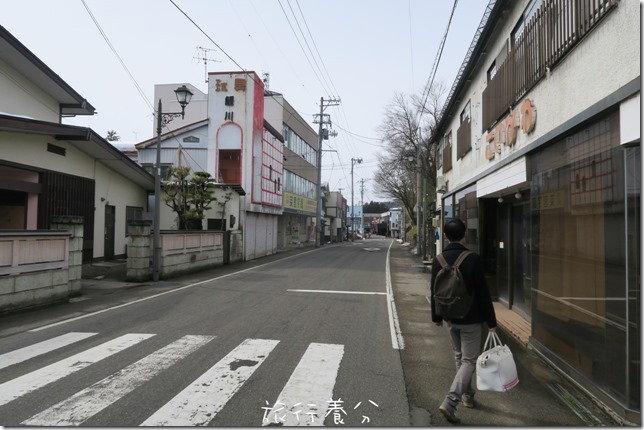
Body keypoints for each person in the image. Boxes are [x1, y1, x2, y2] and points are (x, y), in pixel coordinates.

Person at [430, 218, 497, 423]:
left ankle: (468, 396)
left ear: (446, 236)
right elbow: (483, 293)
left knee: (460, 359)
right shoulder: (473, 259)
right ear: (464, 234)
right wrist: (491, 321)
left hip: (450, 318)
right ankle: (451, 401)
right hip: (471, 318)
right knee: (469, 361)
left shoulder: (438, 259)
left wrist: (436, 316)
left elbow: (433, 290)